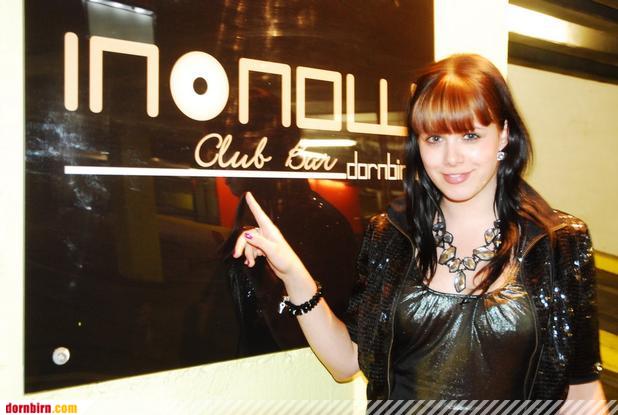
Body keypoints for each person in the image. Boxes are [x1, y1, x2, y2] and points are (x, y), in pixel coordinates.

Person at [232, 54, 607, 409]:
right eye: (435, 138)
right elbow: (346, 363)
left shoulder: (558, 242)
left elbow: (582, 393)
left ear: (504, 134)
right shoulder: (389, 235)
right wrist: (292, 272)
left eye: (470, 136)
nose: (451, 158)